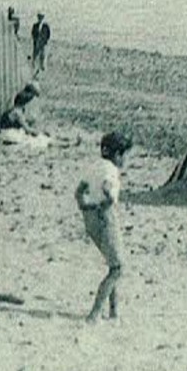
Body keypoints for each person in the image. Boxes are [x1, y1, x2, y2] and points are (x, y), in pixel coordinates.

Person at [75, 132, 131, 322]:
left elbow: (79, 192)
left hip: (90, 219)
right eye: (125, 155)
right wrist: (106, 203)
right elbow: (107, 188)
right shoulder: (111, 171)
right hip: (106, 218)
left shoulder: (94, 166)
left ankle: (114, 311)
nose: (125, 160)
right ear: (117, 155)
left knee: (112, 264)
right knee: (118, 268)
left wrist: (86, 207)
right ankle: (95, 313)